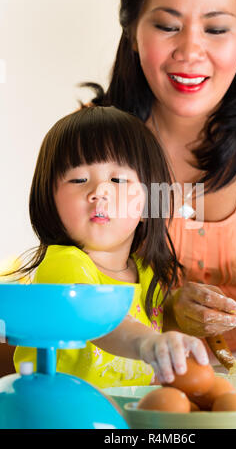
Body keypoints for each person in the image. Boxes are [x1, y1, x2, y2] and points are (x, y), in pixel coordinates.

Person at [82, 0, 236, 363]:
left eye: (216, 29)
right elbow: (83, 288)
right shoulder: (89, 143)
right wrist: (168, 310)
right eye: (167, 26)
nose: (190, 52)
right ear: (132, 31)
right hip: (141, 363)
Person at [12, 106, 209, 387]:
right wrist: (148, 342)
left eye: (118, 180)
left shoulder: (147, 271)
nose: (99, 192)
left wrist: (185, 311)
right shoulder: (63, 263)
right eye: (79, 179)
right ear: (49, 198)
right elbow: (96, 322)